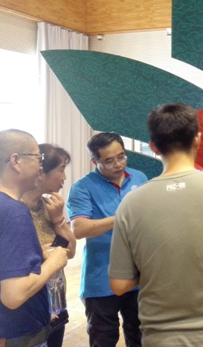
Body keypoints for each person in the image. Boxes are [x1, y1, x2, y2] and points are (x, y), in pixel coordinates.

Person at [109, 103, 203, 346]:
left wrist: (157, 268)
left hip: (163, 339)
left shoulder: (130, 204)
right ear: (197, 139)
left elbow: (119, 284)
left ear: (153, 147)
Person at [0, 129, 69, 347]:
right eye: (37, 158)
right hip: (14, 337)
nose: (40, 166)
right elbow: (13, 295)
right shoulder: (13, 211)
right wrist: (54, 262)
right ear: (15, 161)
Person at [67, 132, 147, 347]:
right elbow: (79, 229)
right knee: (103, 339)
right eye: (109, 161)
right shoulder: (82, 187)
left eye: (121, 157)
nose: (118, 164)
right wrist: (121, 217)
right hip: (101, 280)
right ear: (95, 162)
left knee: (140, 338)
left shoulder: (139, 178)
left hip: (138, 277)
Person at [21, 144, 77, 347]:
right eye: (61, 170)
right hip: (28, 303)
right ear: (40, 173)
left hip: (55, 300)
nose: (64, 177)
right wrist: (43, 253)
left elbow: (71, 251)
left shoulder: (50, 206)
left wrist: (58, 219)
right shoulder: (14, 210)